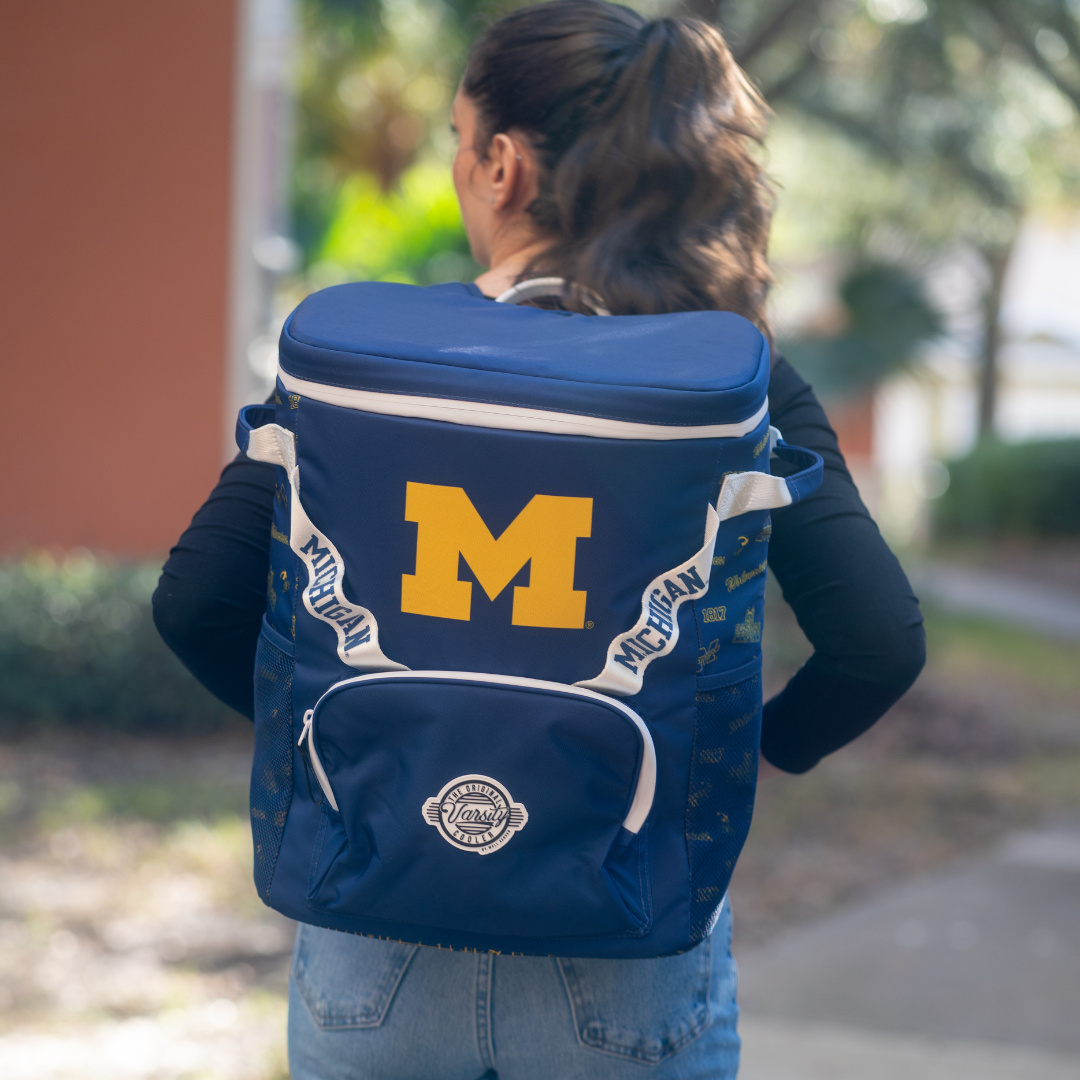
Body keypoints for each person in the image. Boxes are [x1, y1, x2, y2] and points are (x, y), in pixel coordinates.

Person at [153, 3, 925, 1077]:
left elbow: (192, 603)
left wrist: (371, 750)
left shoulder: (361, 368)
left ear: (505, 165)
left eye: (459, 145)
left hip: (375, 946)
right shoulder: (729, 383)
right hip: (625, 933)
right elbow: (878, 641)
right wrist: (753, 749)